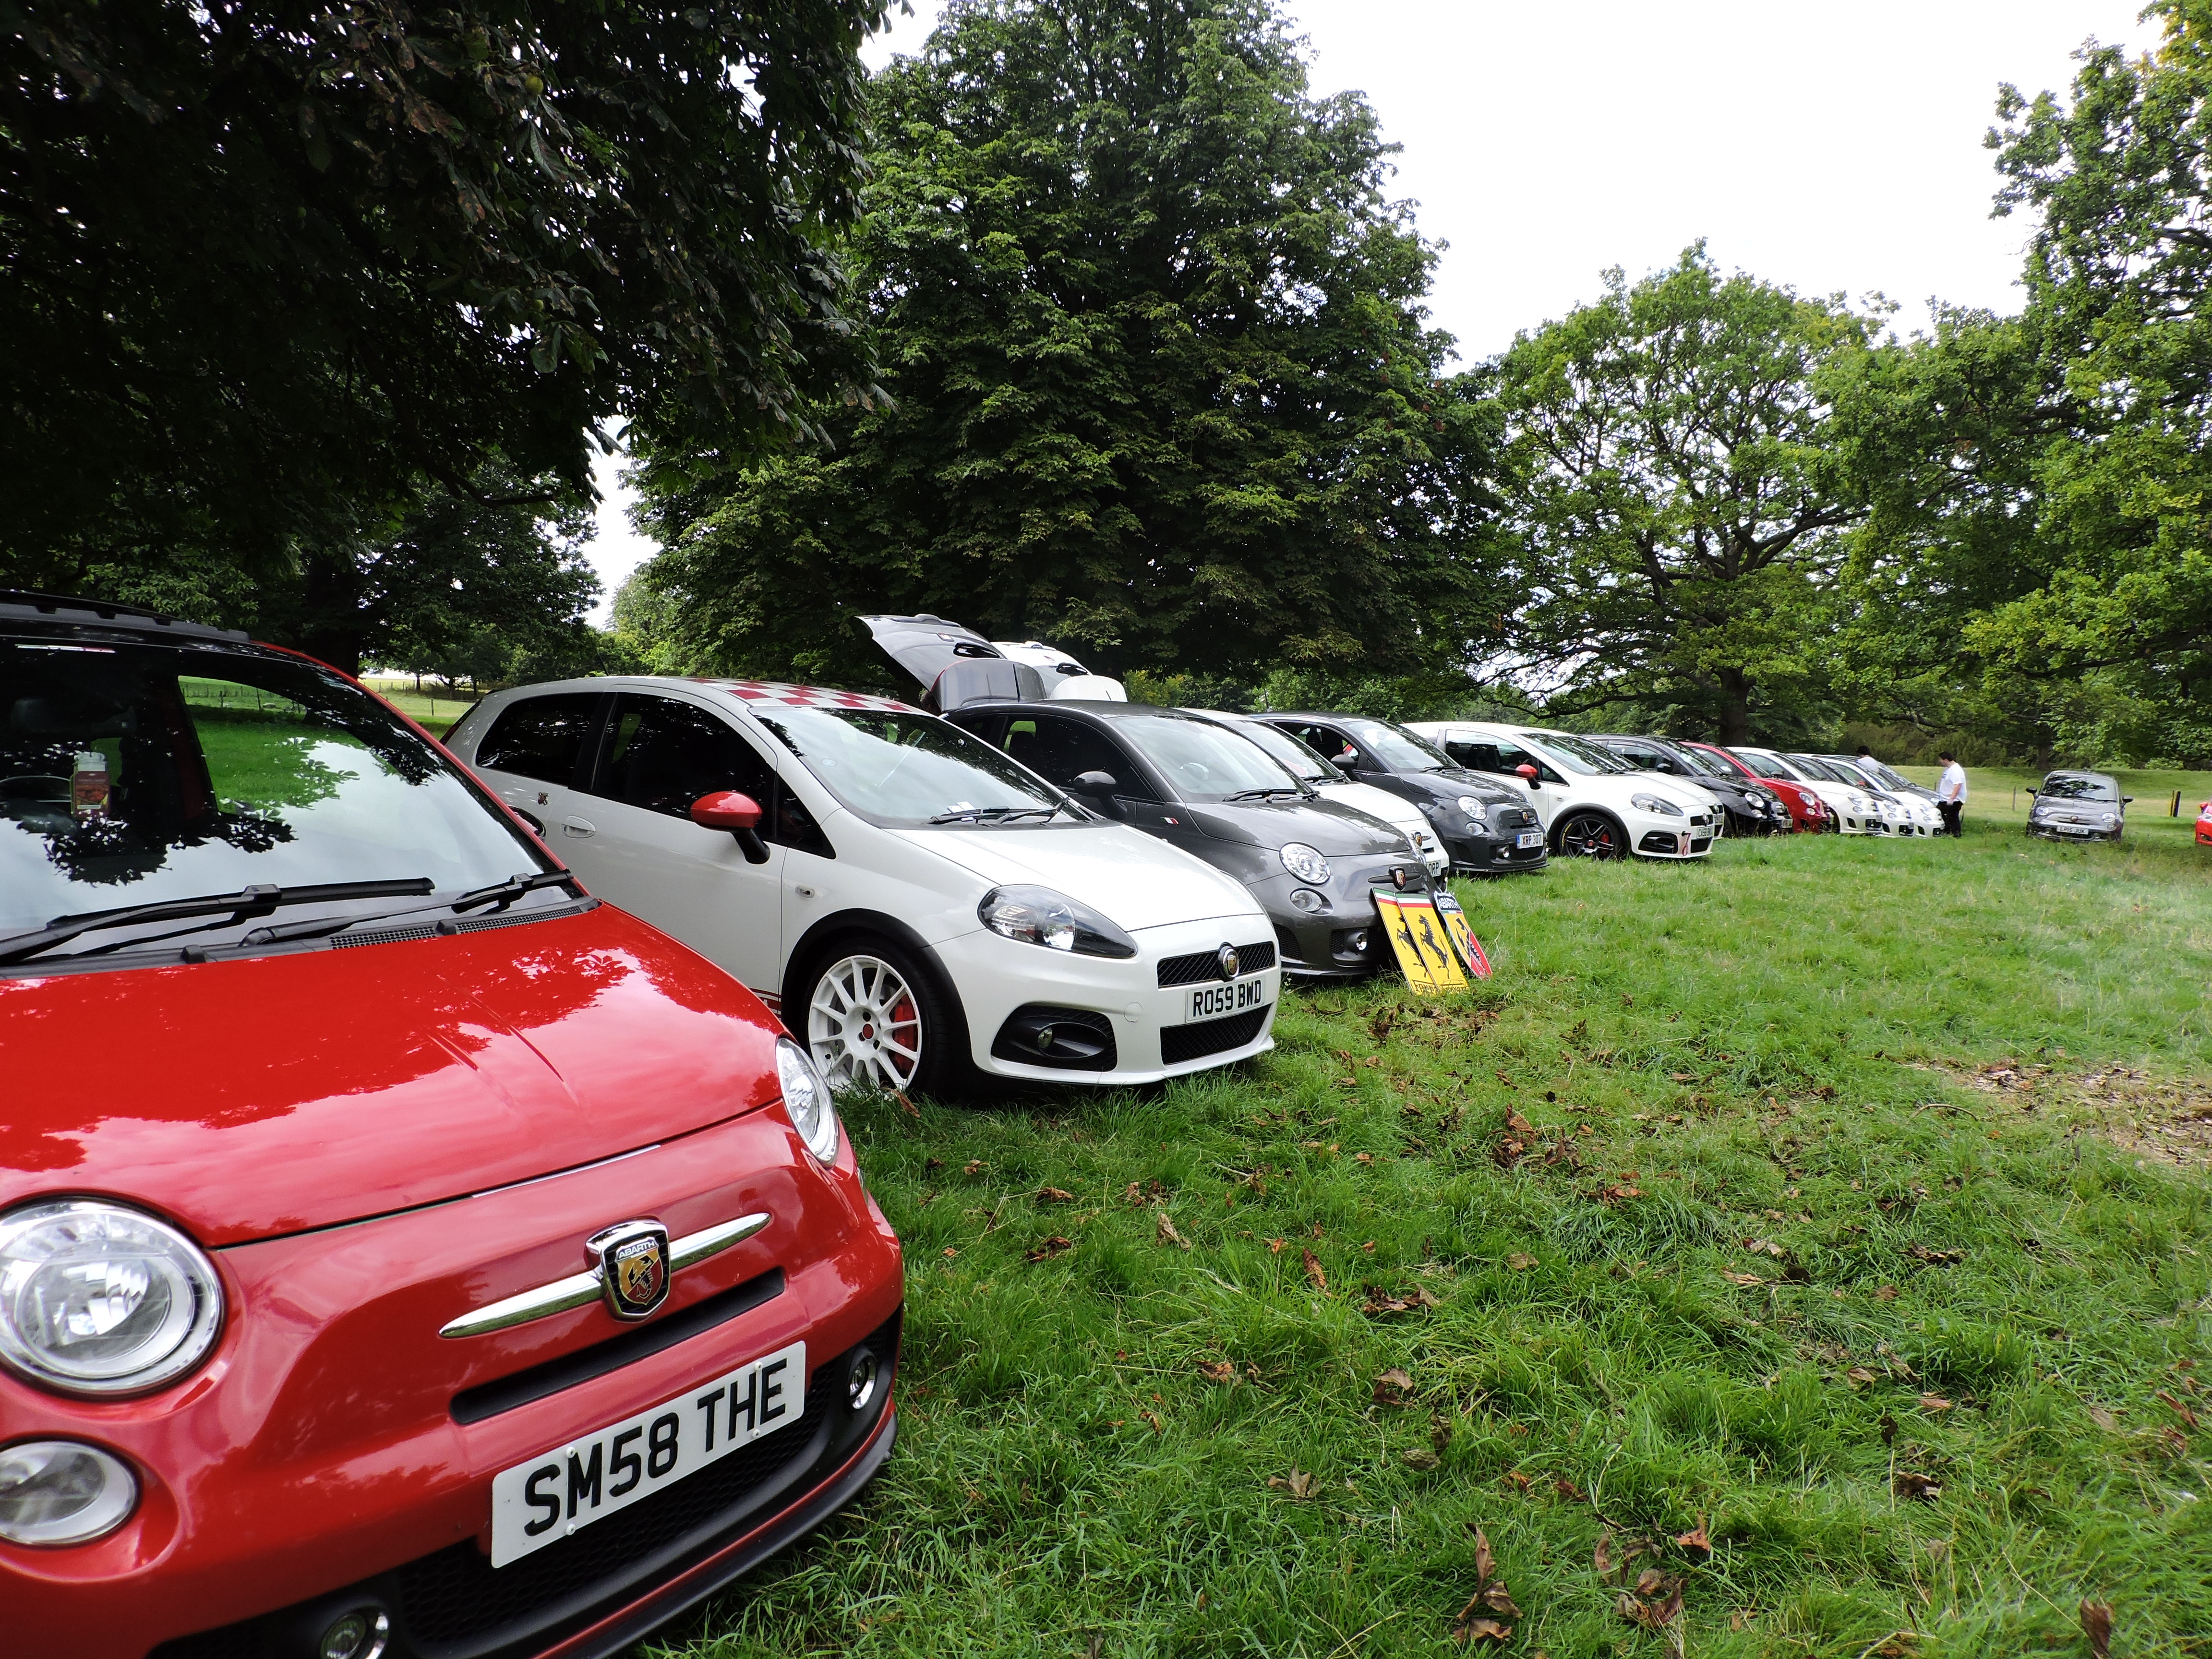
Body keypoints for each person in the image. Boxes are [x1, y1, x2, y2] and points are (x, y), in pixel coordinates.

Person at [1936, 751, 1966, 837]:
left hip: (1953, 800)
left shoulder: (1955, 770)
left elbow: (1958, 785)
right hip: (1944, 799)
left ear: (1946, 760)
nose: (1940, 762)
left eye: (1941, 760)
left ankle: (1956, 834)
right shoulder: (1949, 770)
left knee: (1952, 817)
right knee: (1940, 814)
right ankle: (1947, 831)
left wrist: (1952, 799)